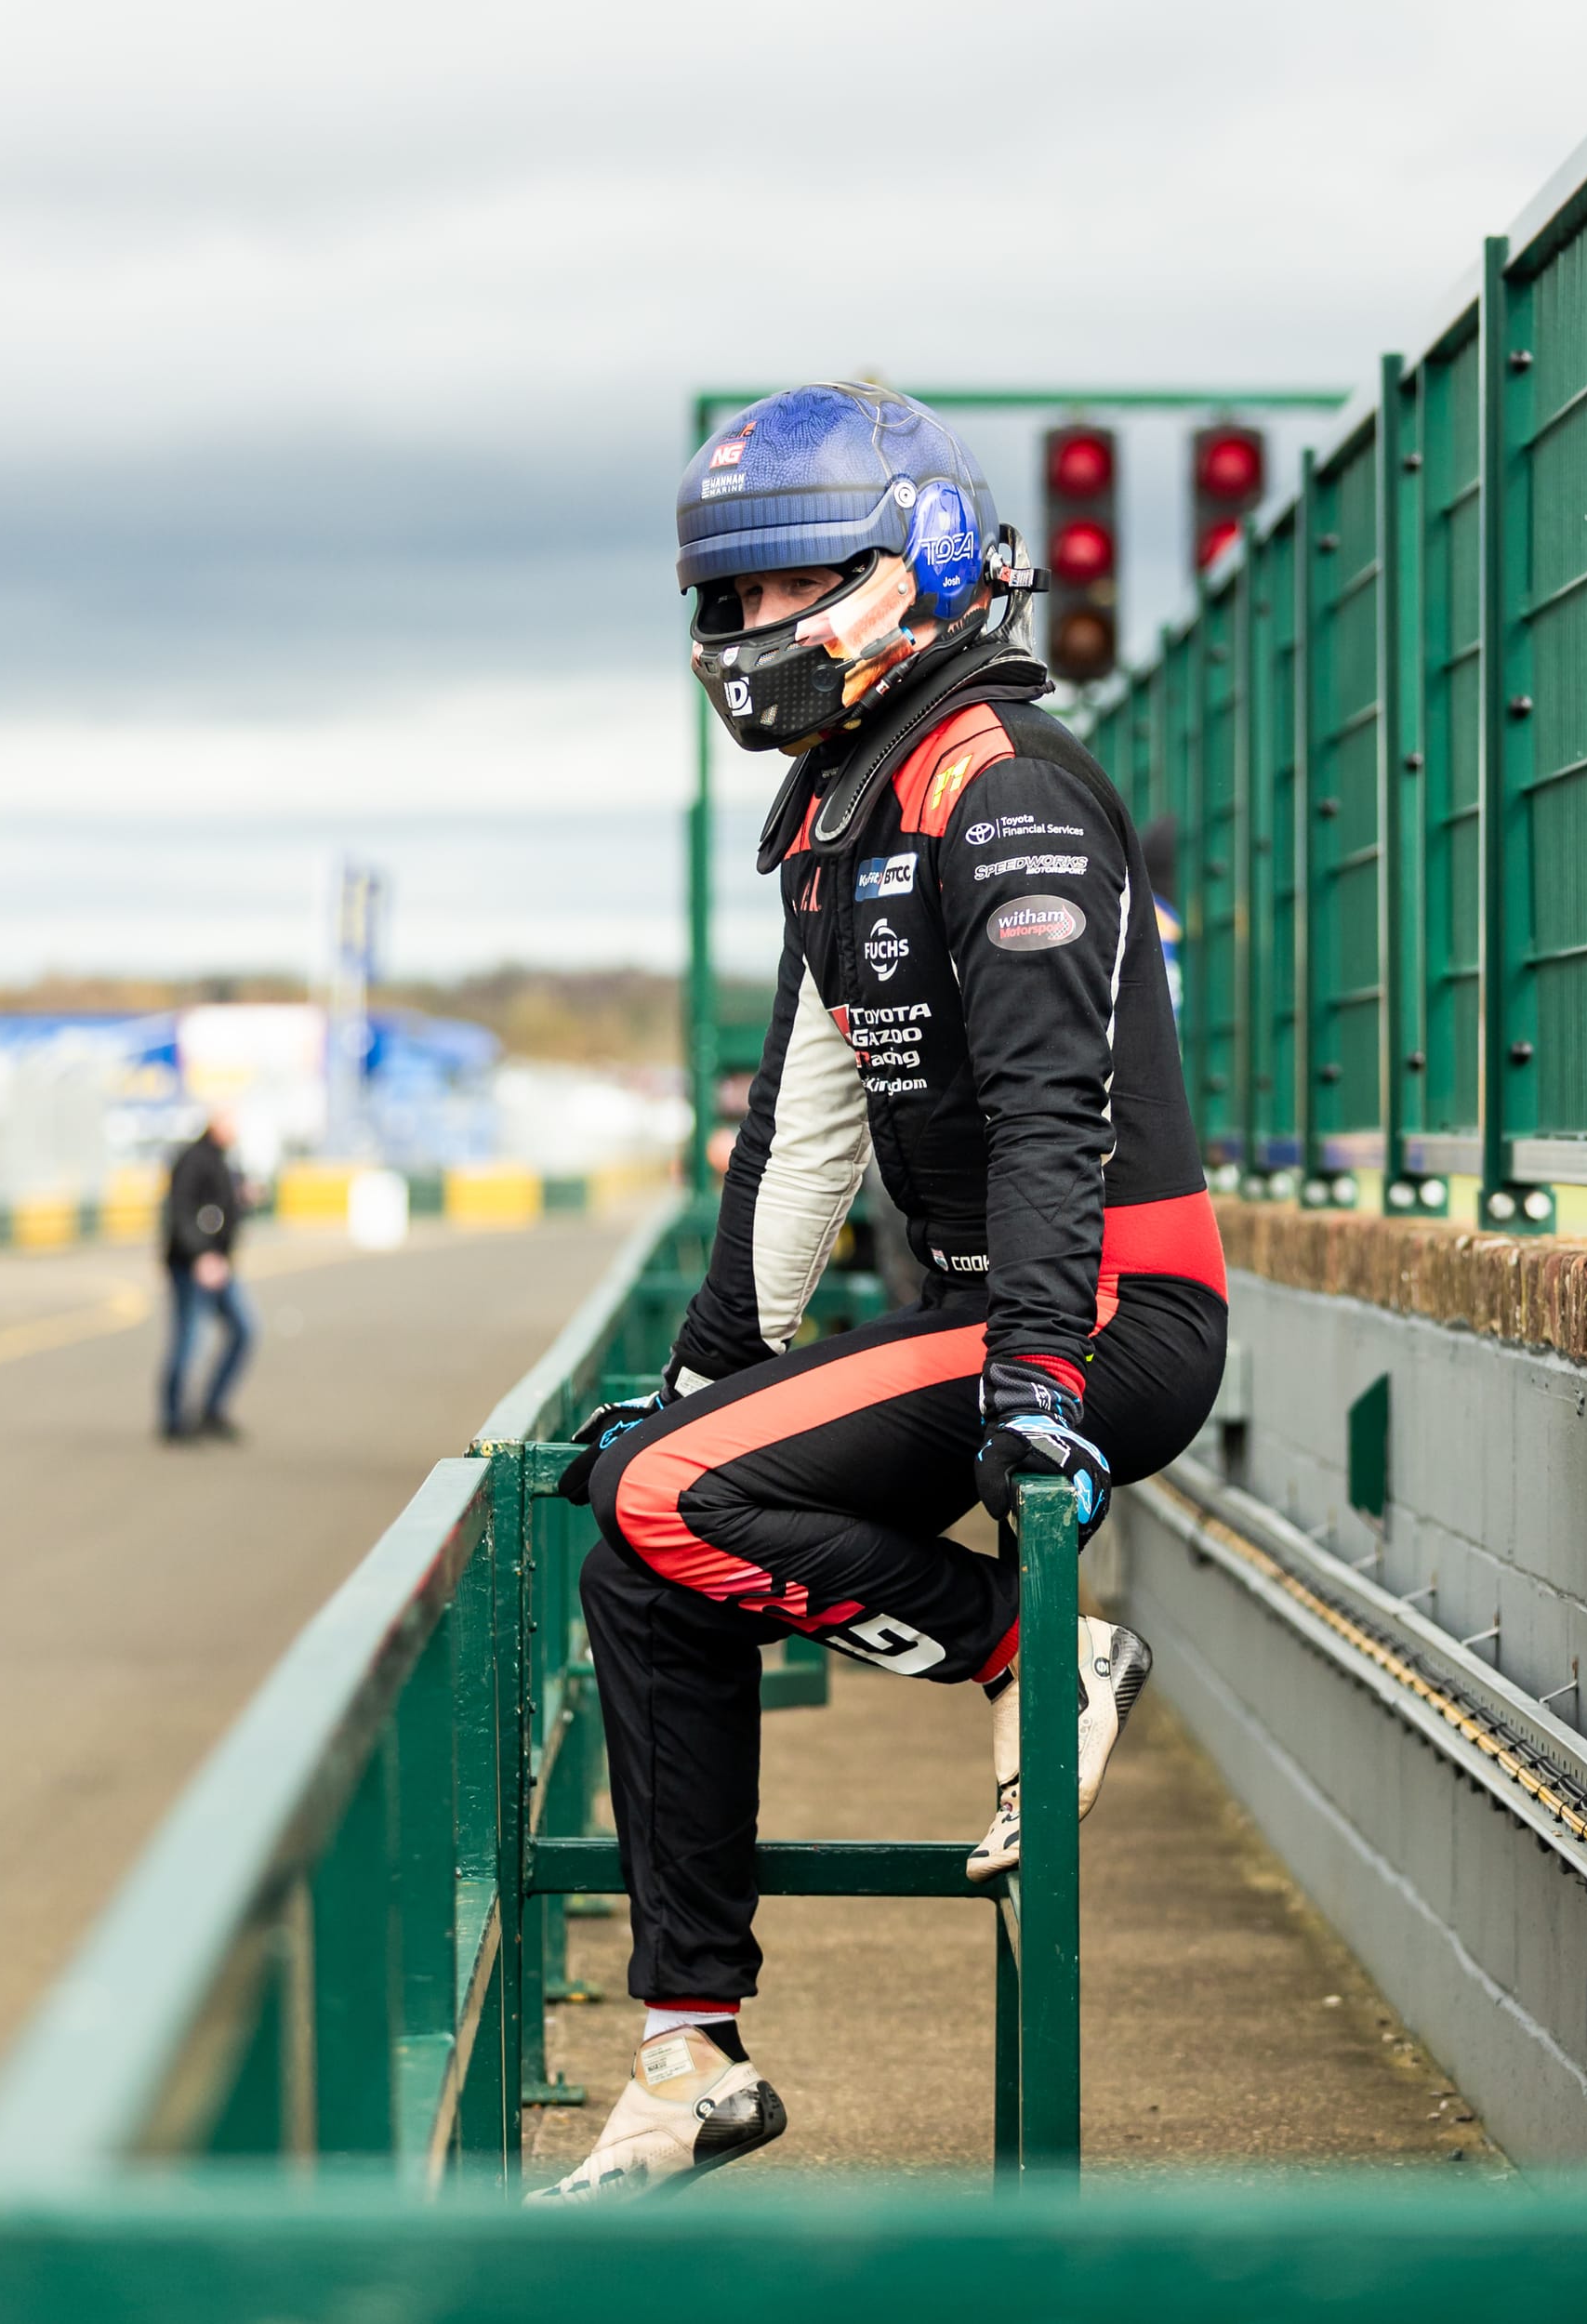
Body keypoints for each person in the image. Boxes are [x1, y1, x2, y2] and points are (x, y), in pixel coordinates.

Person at [534, 384, 1227, 2201]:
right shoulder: (840, 803)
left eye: (792, 584)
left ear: (914, 563)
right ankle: (689, 2053)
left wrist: (1035, 1381)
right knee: (641, 1549)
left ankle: (1031, 1649)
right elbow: (799, 1137)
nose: (752, 626)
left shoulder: (1002, 780)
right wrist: (705, 1374)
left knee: (669, 1498)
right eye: (734, 595)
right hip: (986, 1325)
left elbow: (1054, 1113)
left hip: (1106, 1317)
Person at [158, 1109, 254, 1443]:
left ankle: (212, 1408)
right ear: (216, 1123)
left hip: (219, 1264)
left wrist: (243, 1199)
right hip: (193, 1265)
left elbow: (219, 1209)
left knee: (245, 1330)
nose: (237, 1128)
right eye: (231, 1120)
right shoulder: (193, 1159)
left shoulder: (223, 1160)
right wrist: (200, 1255)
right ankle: (173, 1420)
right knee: (188, 1341)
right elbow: (181, 1211)